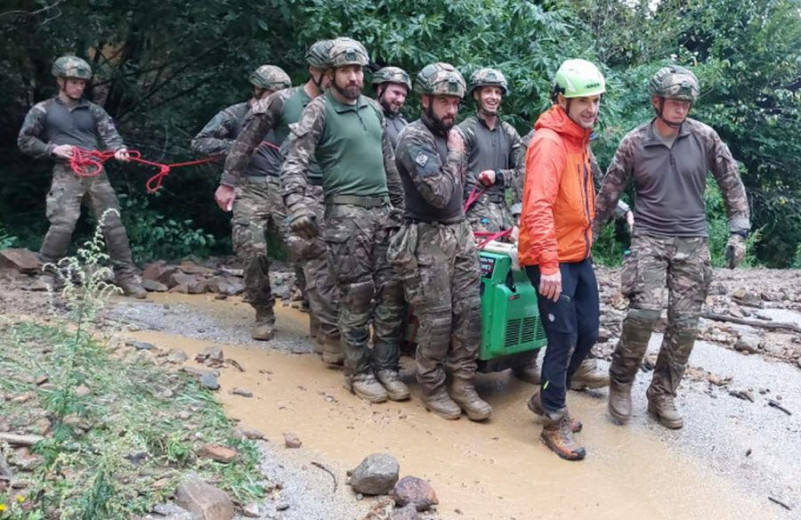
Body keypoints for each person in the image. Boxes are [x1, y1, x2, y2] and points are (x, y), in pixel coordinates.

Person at [594, 65, 750, 429]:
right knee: (643, 315)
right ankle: (621, 382)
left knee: (684, 324)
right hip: (649, 236)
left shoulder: (705, 138)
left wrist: (737, 231)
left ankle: (662, 394)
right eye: (674, 102)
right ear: (657, 102)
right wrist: (588, 237)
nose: (681, 109)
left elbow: (731, 183)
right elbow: (608, 195)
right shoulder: (634, 142)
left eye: (686, 102)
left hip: (693, 241)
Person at [281, 37, 408, 403]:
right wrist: (297, 206)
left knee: (390, 295)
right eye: (346, 70)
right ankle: (359, 371)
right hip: (343, 216)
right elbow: (294, 161)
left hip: (382, 215)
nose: (354, 77)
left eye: (358, 70)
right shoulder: (319, 110)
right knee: (356, 296)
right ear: (331, 74)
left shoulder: (373, 110)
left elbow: (389, 166)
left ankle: (386, 367)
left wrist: (401, 211)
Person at [218, 41, 343, 363]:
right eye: (329, 73)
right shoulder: (282, 100)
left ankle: (322, 324)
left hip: (327, 192)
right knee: (253, 249)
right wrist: (228, 183)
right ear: (314, 71)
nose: (335, 79)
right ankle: (263, 312)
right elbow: (245, 142)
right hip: (284, 188)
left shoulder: (343, 105)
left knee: (315, 260)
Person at [390, 62, 492, 422]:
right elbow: (438, 193)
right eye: (445, 102)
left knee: (471, 311)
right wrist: (454, 153)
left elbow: (459, 192)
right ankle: (431, 385)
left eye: (456, 102)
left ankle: (463, 382)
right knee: (437, 318)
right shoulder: (414, 138)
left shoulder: (453, 137)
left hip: (459, 231)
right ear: (426, 100)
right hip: (426, 235)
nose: (452, 110)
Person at [518, 59, 607, 460]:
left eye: (595, 100)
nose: (591, 108)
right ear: (562, 100)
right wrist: (549, 264)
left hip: (577, 252)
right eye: (582, 100)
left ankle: (547, 397)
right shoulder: (549, 143)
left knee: (588, 332)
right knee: (563, 338)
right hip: (549, 255)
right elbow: (537, 207)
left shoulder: (579, 140)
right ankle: (554, 418)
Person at [17, 56, 146, 298]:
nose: (79, 87)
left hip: (96, 171)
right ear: (60, 81)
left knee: (113, 225)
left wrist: (119, 149)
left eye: (82, 83)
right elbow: (25, 140)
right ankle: (47, 273)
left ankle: (126, 276)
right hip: (66, 171)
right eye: (74, 82)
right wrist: (52, 149)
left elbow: (111, 135)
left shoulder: (94, 111)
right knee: (63, 224)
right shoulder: (43, 109)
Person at [192, 65, 291, 340]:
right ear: (258, 89)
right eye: (273, 93)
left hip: (287, 189)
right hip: (249, 188)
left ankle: (319, 316)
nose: (279, 99)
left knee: (305, 250)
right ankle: (263, 313)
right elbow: (200, 143)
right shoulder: (236, 114)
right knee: (252, 250)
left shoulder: (290, 117)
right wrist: (239, 146)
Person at [459, 67, 524, 237]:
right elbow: (454, 176)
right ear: (476, 95)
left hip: (504, 212)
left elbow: (524, 173)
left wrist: (499, 176)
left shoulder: (510, 132)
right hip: (473, 212)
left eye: (497, 92)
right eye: (487, 91)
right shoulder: (464, 131)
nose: (493, 97)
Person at [372, 66, 411, 150]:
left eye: (403, 95)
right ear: (380, 90)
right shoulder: (367, 117)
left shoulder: (404, 124)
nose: (400, 100)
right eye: (396, 93)